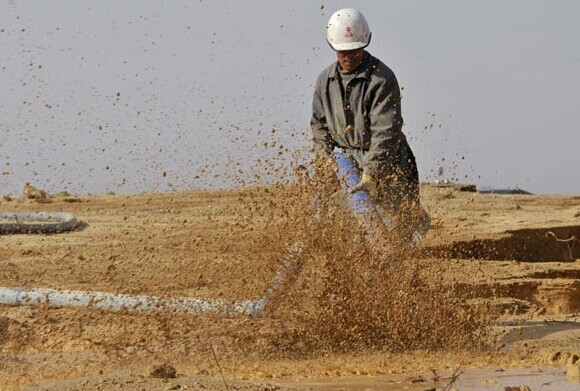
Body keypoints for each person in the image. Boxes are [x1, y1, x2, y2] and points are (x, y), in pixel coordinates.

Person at [310, 8, 429, 245]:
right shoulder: (325, 81)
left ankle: (414, 221)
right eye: (343, 51)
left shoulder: (381, 79)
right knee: (347, 227)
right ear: (333, 47)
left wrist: (372, 172)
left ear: (365, 44)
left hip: (387, 158)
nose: (349, 56)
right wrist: (325, 160)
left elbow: (385, 132)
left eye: (355, 49)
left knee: (398, 228)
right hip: (345, 159)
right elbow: (318, 124)